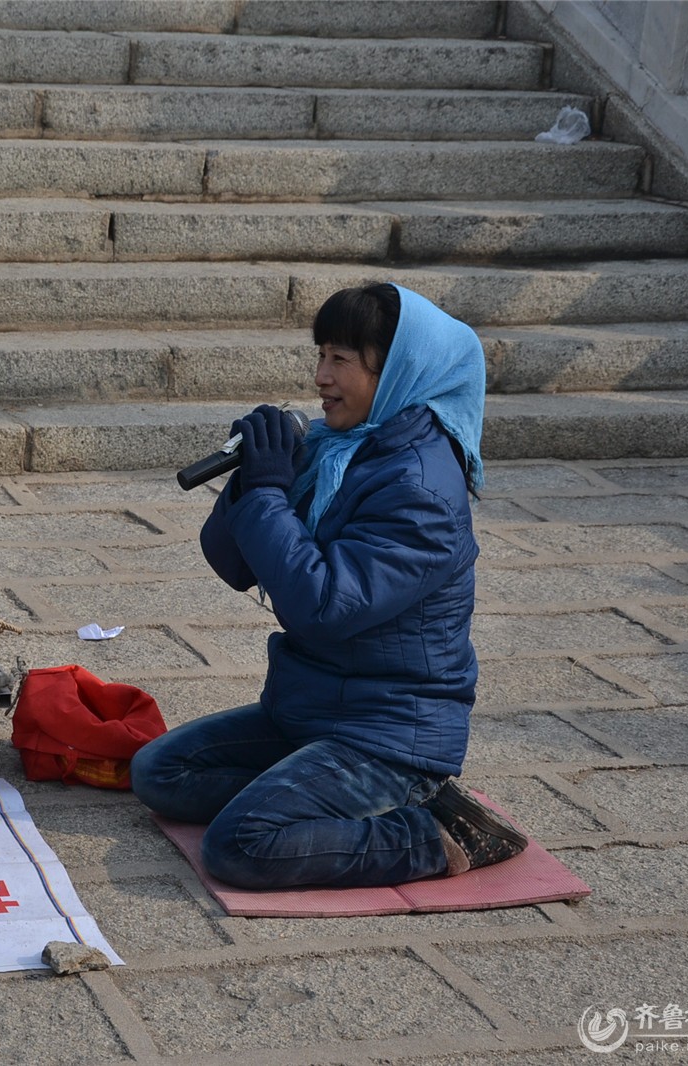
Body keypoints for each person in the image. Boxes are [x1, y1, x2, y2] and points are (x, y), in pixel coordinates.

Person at [131, 283, 527, 890]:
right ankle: (311, 799)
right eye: (320, 355)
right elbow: (235, 564)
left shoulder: (420, 489)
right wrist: (251, 480)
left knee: (240, 846)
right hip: (313, 708)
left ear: (397, 369)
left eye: (341, 359)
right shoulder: (339, 450)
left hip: (389, 737)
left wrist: (267, 496)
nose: (321, 377)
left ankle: (436, 833)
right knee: (160, 772)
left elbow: (322, 607)